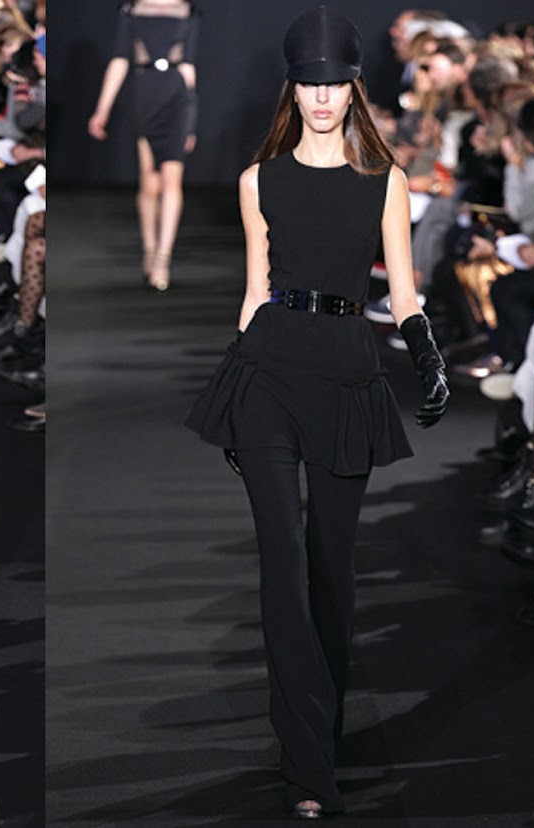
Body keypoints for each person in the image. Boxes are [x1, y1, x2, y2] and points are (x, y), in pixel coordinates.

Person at [184, 6, 448, 819]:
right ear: (292, 88)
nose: (324, 97)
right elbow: (254, 292)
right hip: (268, 371)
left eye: (336, 84)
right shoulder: (257, 181)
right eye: (310, 83)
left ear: (354, 87)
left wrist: (428, 357)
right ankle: (305, 765)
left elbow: (402, 290)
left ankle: (319, 728)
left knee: (332, 569)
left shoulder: (387, 181)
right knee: (284, 564)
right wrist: (232, 392)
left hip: (345, 373)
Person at [88, 0, 198, 291]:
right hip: (145, 94)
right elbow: (120, 59)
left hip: (177, 97)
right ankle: (150, 249)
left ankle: (163, 258)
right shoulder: (131, 10)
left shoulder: (188, 10)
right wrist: (102, 109)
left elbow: (188, 65)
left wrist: (192, 120)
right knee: (149, 184)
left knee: (172, 180)